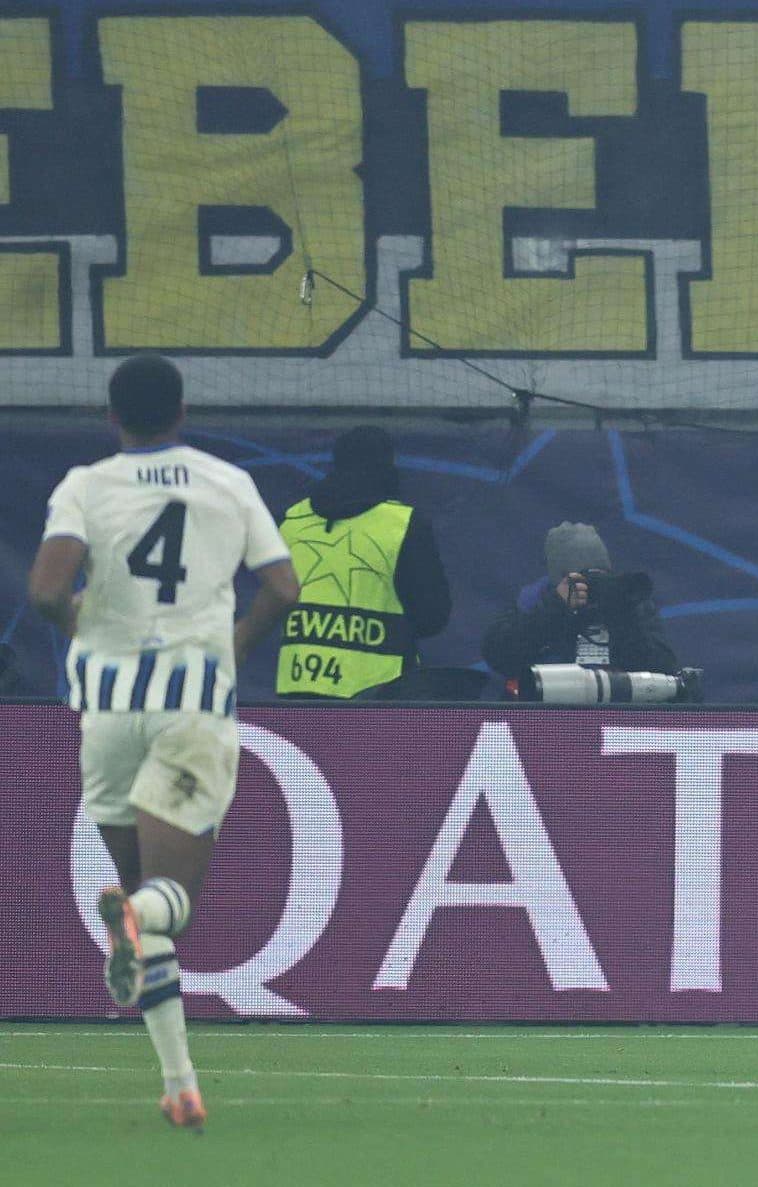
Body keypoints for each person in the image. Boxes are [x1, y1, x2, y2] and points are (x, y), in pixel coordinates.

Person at [25, 355, 300, 1130]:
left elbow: (47, 588)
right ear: (182, 410)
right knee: (164, 903)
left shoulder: (86, 484)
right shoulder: (227, 482)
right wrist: (236, 648)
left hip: (107, 712)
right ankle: (137, 914)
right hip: (191, 706)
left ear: (111, 415)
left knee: (142, 901)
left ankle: (179, 1082)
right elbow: (282, 587)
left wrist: (84, 628)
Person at [276, 425, 451, 699]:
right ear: (387, 466)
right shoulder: (403, 524)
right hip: (381, 696)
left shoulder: (292, 521)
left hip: (299, 692)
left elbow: (272, 600)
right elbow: (433, 617)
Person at [482, 522, 677, 688]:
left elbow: (663, 672)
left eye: (601, 575)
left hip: (615, 713)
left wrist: (621, 615)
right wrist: (556, 607)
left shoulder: (628, 601)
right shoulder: (534, 601)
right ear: (560, 580)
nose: (593, 585)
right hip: (547, 713)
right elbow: (499, 657)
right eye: (585, 579)